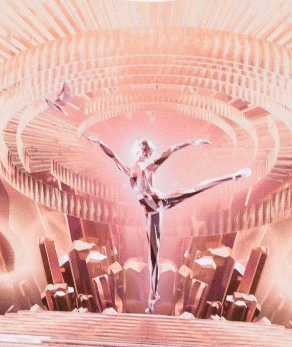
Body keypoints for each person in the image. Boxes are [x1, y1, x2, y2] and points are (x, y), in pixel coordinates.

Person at [85, 133, 249, 310]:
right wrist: (100, 142)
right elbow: (113, 156)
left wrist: (190, 141)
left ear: (147, 153)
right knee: (153, 255)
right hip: (151, 212)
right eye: (140, 150)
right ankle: (153, 296)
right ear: (136, 152)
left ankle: (233, 176)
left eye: (145, 151)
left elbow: (169, 151)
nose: (142, 154)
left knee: (194, 189)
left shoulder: (150, 167)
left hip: (160, 203)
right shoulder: (129, 170)